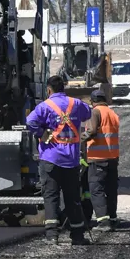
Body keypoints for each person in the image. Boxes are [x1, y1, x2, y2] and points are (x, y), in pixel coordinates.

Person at [26, 75, 93, 244]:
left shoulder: (45, 106)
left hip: (50, 158)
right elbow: (88, 113)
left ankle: (52, 236)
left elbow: (30, 121)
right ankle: (77, 236)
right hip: (71, 159)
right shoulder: (75, 104)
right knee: (72, 198)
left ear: (49, 90)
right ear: (64, 87)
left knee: (51, 197)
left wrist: (42, 133)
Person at [80, 90, 121, 232]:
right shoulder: (112, 113)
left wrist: (79, 139)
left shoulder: (95, 112)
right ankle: (113, 218)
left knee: (96, 190)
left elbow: (91, 131)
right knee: (111, 190)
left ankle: (103, 222)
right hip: (112, 157)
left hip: (97, 158)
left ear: (93, 101)